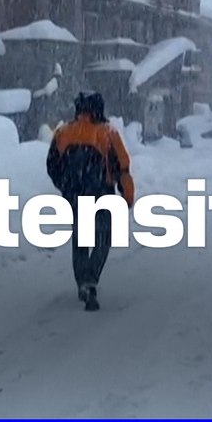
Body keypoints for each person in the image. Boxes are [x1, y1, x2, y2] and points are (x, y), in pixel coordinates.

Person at [46, 92, 136, 312]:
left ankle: (82, 282)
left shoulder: (63, 133)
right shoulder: (108, 133)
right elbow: (123, 166)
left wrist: (65, 187)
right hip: (101, 194)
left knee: (81, 240)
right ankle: (91, 278)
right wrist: (127, 195)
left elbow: (52, 165)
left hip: (76, 196)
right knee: (103, 238)